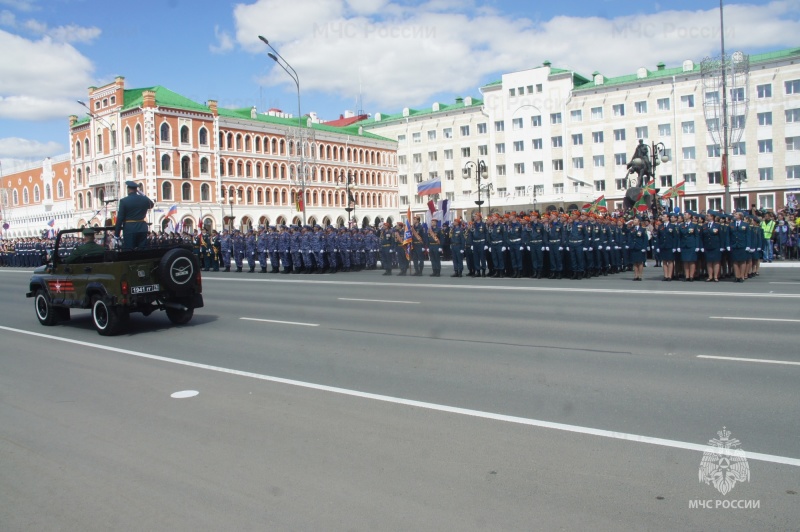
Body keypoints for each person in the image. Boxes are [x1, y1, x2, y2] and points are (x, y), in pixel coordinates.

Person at [114, 181, 153, 250]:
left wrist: (117, 234)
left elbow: (120, 218)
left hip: (130, 229)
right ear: (136, 190)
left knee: (130, 252)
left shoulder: (124, 201)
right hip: (142, 228)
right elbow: (151, 204)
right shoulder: (144, 199)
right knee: (142, 251)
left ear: (128, 189)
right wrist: (143, 194)